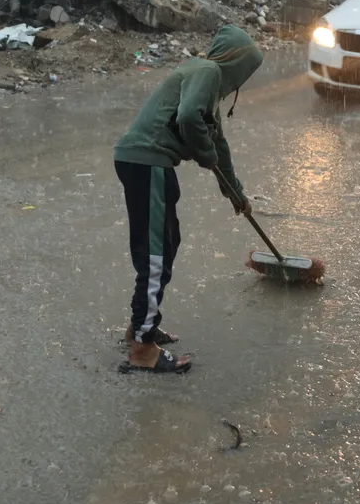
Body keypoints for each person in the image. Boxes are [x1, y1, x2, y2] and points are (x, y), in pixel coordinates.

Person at [113, 25, 264, 374]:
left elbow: (217, 148)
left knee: (167, 243)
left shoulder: (205, 85)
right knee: (155, 254)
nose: (242, 81)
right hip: (146, 160)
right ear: (234, 62)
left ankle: (140, 327)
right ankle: (142, 349)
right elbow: (187, 119)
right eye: (246, 71)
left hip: (150, 163)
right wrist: (204, 152)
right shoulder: (207, 71)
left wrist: (236, 195)